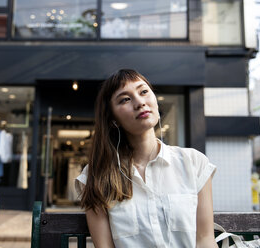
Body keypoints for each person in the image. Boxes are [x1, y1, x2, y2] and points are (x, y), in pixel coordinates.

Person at [75, 69, 217, 248]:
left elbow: (204, 240)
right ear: (113, 120)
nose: (140, 102)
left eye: (143, 92)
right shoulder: (96, 175)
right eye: (125, 99)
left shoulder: (194, 163)